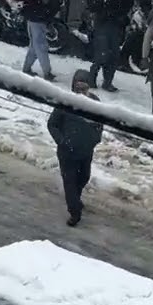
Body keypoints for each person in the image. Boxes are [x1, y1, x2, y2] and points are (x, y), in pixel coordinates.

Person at [47, 70, 104, 226]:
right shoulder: (65, 102)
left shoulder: (95, 103)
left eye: (84, 88)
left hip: (86, 151)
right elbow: (52, 124)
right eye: (77, 88)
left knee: (84, 177)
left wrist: (95, 139)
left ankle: (75, 200)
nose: (81, 92)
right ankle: (74, 212)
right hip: (67, 152)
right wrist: (62, 141)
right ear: (73, 87)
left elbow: (100, 123)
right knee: (70, 182)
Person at [87, 0, 132, 92]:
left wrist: (120, 15)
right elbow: (97, 14)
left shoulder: (120, 0)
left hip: (114, 31)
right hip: (102, 31)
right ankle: (91, 80)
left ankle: (107, 82)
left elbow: (125, 19)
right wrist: (107, 9)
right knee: (101, 57)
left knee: (113, 58)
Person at [21, 0, 60, 80]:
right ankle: (47, 72)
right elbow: (36, 6)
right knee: (41, 46)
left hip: (37, 19)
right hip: (36, 19)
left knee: (35, 47)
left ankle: (26, 68)